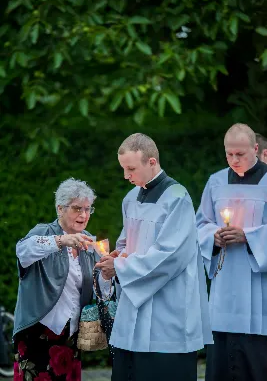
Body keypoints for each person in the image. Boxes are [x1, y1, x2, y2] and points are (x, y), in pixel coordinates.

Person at [95, 133, 213, 381]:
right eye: (123, 169)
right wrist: (118, 255)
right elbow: (126, 241)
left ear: (151, 162)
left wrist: (121, 266)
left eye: (130, 169)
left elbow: (170, 256)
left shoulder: (177, 198)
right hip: (133, 308)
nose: (126, 176)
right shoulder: (130, 198)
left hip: (167, 310)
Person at [13, 178, 110, 381]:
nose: (83, 215)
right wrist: (61, 240)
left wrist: (106, 274)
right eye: (77, 209)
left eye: (88, 209)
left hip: (72, 336)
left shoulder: (89, 242)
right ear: (60, 208)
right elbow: (22, 251)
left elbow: (100, 291)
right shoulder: (44, 233)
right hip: (38, 333)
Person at [196, 123, 267, 381]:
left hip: (259, 289)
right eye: (229, 154)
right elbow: (200, 223)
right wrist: (212, 236)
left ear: (256, 149)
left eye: (240, 154)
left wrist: (248, 237)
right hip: (224, 287)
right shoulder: (215, 181)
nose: (234, 160)